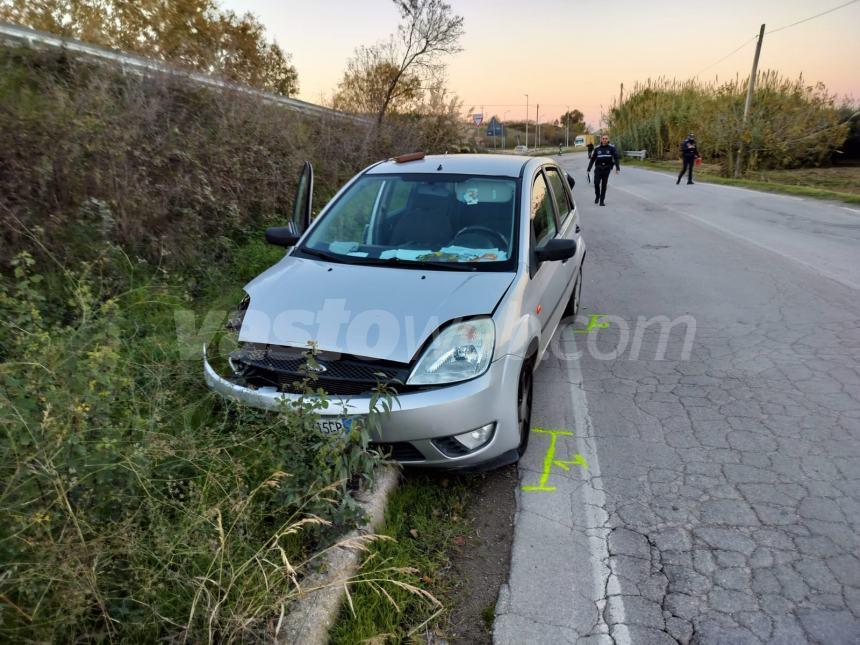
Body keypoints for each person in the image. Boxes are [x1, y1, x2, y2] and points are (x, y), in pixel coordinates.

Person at [586, 134, 620, 206]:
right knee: (596, 183)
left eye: (606, 138)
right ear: (601, 139)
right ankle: (597, 196)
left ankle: (602, 201)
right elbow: (592, 159)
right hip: (598, 168)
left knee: (604, 185)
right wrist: (588, 169)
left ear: (608, 139)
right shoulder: (597, 148)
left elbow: (616, 158)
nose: (604, 140)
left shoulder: (612, 148)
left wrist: (617, 168)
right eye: (603, 138)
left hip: (607, 169)